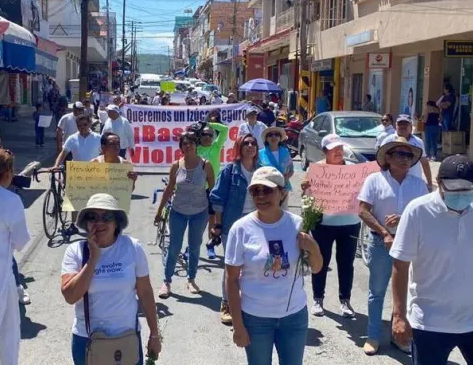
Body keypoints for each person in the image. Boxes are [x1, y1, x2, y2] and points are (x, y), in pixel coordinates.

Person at [225, 166, 323, 365]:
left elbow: (316, 268)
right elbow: (232, 280)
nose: (261, 196)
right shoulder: (241, 229)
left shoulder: (298, 224)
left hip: (293, 317)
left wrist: (313, 248)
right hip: (255, 318)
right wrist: (238, 325)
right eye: (256, 191)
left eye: (268, 190)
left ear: (282, 192)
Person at [390, 155, 473, 365]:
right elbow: (400, 265)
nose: (460, 195)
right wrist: (399, 315)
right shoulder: (418, 211)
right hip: (429, 323)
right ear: (439, 182)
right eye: (454, 189)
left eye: (466, 190)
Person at [61, 194, 161, 365]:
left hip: (127, 338)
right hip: (87, 340)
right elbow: (70, 296)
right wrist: (93, 258)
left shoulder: (132, 247)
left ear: (116, 223)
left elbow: (145, 293)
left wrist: (154, 334)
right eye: (93, 217)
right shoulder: (75, 251)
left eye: (106, 217)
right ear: (86, 223)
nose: (99, 222)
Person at [358, 136, 428, 355]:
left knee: (407, 292)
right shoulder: (374, 180)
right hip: (381, 242)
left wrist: (404, 218)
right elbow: (363, 210)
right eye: (400, 154)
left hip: (410, 245)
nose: (405, 159)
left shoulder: (419, 185)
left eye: (408, 155)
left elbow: (426, 214)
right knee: (377, 291)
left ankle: (401, 335)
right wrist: (384, 232)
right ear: (388, 157)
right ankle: (373, 335)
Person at [300, 134, 361, 318]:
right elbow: (308, 198)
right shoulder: (317, 169)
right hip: (323, 224)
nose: (338, 152)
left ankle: (345, 300)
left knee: (346, 264)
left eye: (340, 148)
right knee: (320, 261)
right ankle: (318, 299)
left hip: (350, 223)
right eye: (334, 149)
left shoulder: (354, 169)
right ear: (325, 151)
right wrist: (306, 188)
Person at [155, 133, 214, 298]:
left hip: (199, 212)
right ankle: (166, 281)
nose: (188, 147)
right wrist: (159, 211)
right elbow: (169, 189)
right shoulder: (176, 165)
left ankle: (191, 279)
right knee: (174, 247)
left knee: (195, 247)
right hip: (178, 212)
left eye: (191, 144)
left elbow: (213, 191)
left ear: (196, 146)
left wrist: (214, 217)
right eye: (185, 144)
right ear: (180, 147)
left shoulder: (206, 166)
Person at [210, 134, 259, 324]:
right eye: (246, 143)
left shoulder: (262, 171)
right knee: (232, 266)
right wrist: (218, 225)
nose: (250, 146)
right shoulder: (229, 171)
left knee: (254, 265)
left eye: (253, 143)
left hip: (257, 225)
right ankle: (226, 304)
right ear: (239, 147)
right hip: (233, 225)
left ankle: (249, 305)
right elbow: (218, 200)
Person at [0, 149, 30, 365]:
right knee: (7, 336)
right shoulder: (10, 201)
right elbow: (20, 242)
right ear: (8, 173)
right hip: (2, 277)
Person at [52, 115, 102, 235]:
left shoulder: (98, 138)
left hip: (93, 172)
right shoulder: (72, 138)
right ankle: (74, 225)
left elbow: (106, 154)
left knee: (92, 200)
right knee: (74, 201)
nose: (82, 128)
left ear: (90, 124)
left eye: (85, 125)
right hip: (77, 172)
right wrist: (56, 165)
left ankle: (93, 224)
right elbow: (63, 154)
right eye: (79, 126)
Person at [197, 120, 229, 259]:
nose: (208, 137)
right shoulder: (196, 148)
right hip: (197, 189)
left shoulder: (216, 146)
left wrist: (209, 123)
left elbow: (225, 129)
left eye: (211, 135)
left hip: (213, 189)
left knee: (213, 220)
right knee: (198, 221)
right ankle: (192, 246)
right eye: (204, 134)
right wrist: (200, 127)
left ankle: (211, 245)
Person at [381, 114, 433, 191]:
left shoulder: (418, 142)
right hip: (393, 184)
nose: (402, 126)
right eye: (400, 124)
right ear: (396, 126)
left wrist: (430, 184)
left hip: (414, 184)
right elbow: (382, 162)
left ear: (411, 127)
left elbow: (424, 163)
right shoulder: (388, 141)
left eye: (405, 124)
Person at [258, 126, 293, 208]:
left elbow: (291, 169)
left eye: (276, 134)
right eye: (270, 135)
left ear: (280, 138)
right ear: (266, 139)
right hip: (267, 189)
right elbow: (257, 172)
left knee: (283, 213)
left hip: (284, 189)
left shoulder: (285, 152)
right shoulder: (260, 154)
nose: (274, 137)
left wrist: (285, 180)